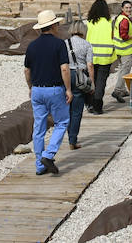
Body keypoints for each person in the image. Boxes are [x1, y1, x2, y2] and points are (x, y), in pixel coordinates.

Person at [24, 10, 72, 175]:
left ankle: (39, 165)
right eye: (57, 24)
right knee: (62, 122)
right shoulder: (59, 44)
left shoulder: (32, 46)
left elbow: (27, 71)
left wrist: (30, 88)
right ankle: (49, 154)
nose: (58, 26)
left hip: (37, 90)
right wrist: (68, 89)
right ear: (53, 26)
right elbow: (64, 69)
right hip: (55, 89)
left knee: (39, 128)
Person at [65, 21, 95, 150]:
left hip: (66, 75)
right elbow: (90, 65)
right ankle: (73, 140)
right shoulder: (87, 44)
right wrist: (92, 82)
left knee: (66, 108)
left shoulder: (65, 43)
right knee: (77, 111)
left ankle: (66, 133)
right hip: (80, 76)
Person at [85, 0, 115, 114]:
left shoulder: (90, 22)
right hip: (106, 56)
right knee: (101, 81)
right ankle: (98, 106)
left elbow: (87, 39)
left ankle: (90, 104)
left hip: (92, 55)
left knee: (92, 81)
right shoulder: (109, 22)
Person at [109, 0, 132, 103]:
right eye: (127, 8)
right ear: (122, 8)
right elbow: (124, 36)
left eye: (130, 8)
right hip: (125, 50)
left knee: (122, 69)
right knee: (125, 70)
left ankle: (123, 90)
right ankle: (117, 91)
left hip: (118, 49)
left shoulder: (119, 17)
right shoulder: (125, 20)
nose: (129, 9)